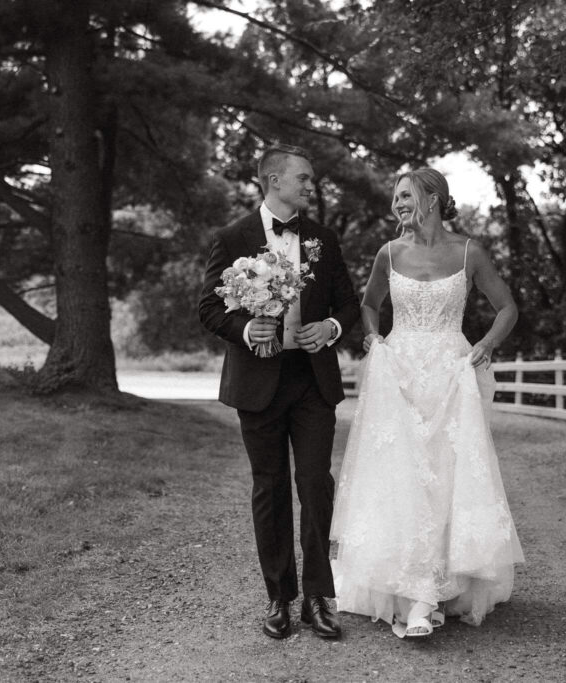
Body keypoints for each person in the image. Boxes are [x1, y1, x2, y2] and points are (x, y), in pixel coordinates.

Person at [329, 167, 525, 638]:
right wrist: (375, 338)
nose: (396, 204)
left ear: (433, 197)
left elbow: (508, 308)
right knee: (402, 478)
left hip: (450, 375)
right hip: (399, 377)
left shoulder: (468, 252)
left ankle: (438, 588)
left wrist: (486, 345)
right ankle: (412, 592)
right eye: (394, 197)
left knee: (445, 479)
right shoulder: (389, 253)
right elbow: (369, 304)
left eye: (403, 195)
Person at [198, 144, 360, 640]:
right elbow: (208, 308)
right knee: (268, 488)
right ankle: (279, 598)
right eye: (305, 178)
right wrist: (248, 331)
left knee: (314, 484)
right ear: (274, 181)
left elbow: (348, 305)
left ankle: (318, 596)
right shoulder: (232, 238)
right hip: (258, 382)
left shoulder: (323, 239)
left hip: (312, 381)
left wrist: (330, 328)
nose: (312, 186)